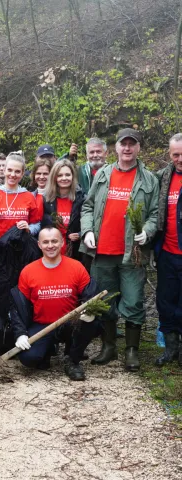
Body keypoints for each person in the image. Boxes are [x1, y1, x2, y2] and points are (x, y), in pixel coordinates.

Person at [80, 128, 159, 371]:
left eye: (132, 144)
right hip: (102, 253)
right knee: (105, 301)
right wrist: (87, 231)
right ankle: (108, 346)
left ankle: (132, 351)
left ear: (138, 148)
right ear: (115, 148)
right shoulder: (103, 174)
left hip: (132, 254)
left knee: (134, 301)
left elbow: (156, 213)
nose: (127, 148)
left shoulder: (149, 180)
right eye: (123, 144)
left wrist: (147, 230)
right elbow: (88, 207)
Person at [10, 227, 101, 380]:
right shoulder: (28, 271)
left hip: (69, 322)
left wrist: (89, 312)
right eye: (46, 242)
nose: (50, 245)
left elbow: (90, 294)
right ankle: (48, 349)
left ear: (62, 242)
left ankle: (72, 359)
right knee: (29, 359)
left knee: (90, 323)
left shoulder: (76, 267)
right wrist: (20, 334)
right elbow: (17, 308)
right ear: (39, 245)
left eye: (54, 241)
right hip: (41, 325)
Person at [153, 133, 182, 366]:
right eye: (176, 155)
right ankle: (171, 349)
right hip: (167, 252)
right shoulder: (163, 177)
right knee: (165, 301)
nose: (180, 159)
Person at [0, 152, 40, 264]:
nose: (13, 174)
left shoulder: (29, 196)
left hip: (19, 253)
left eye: (17, 171)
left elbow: (37, 224)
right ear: (4, 170)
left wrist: (29, 228)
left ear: (22, 173)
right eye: (10, 170)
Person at [43, 159, 85, 260]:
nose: (64, 178)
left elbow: (90, 223)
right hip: (52, 252)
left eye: (67, 175)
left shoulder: (82, 199)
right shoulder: (46, 200)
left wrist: (80, 234)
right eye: (60, 175)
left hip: (75, 252)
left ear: (73, 176)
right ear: (54, 177)